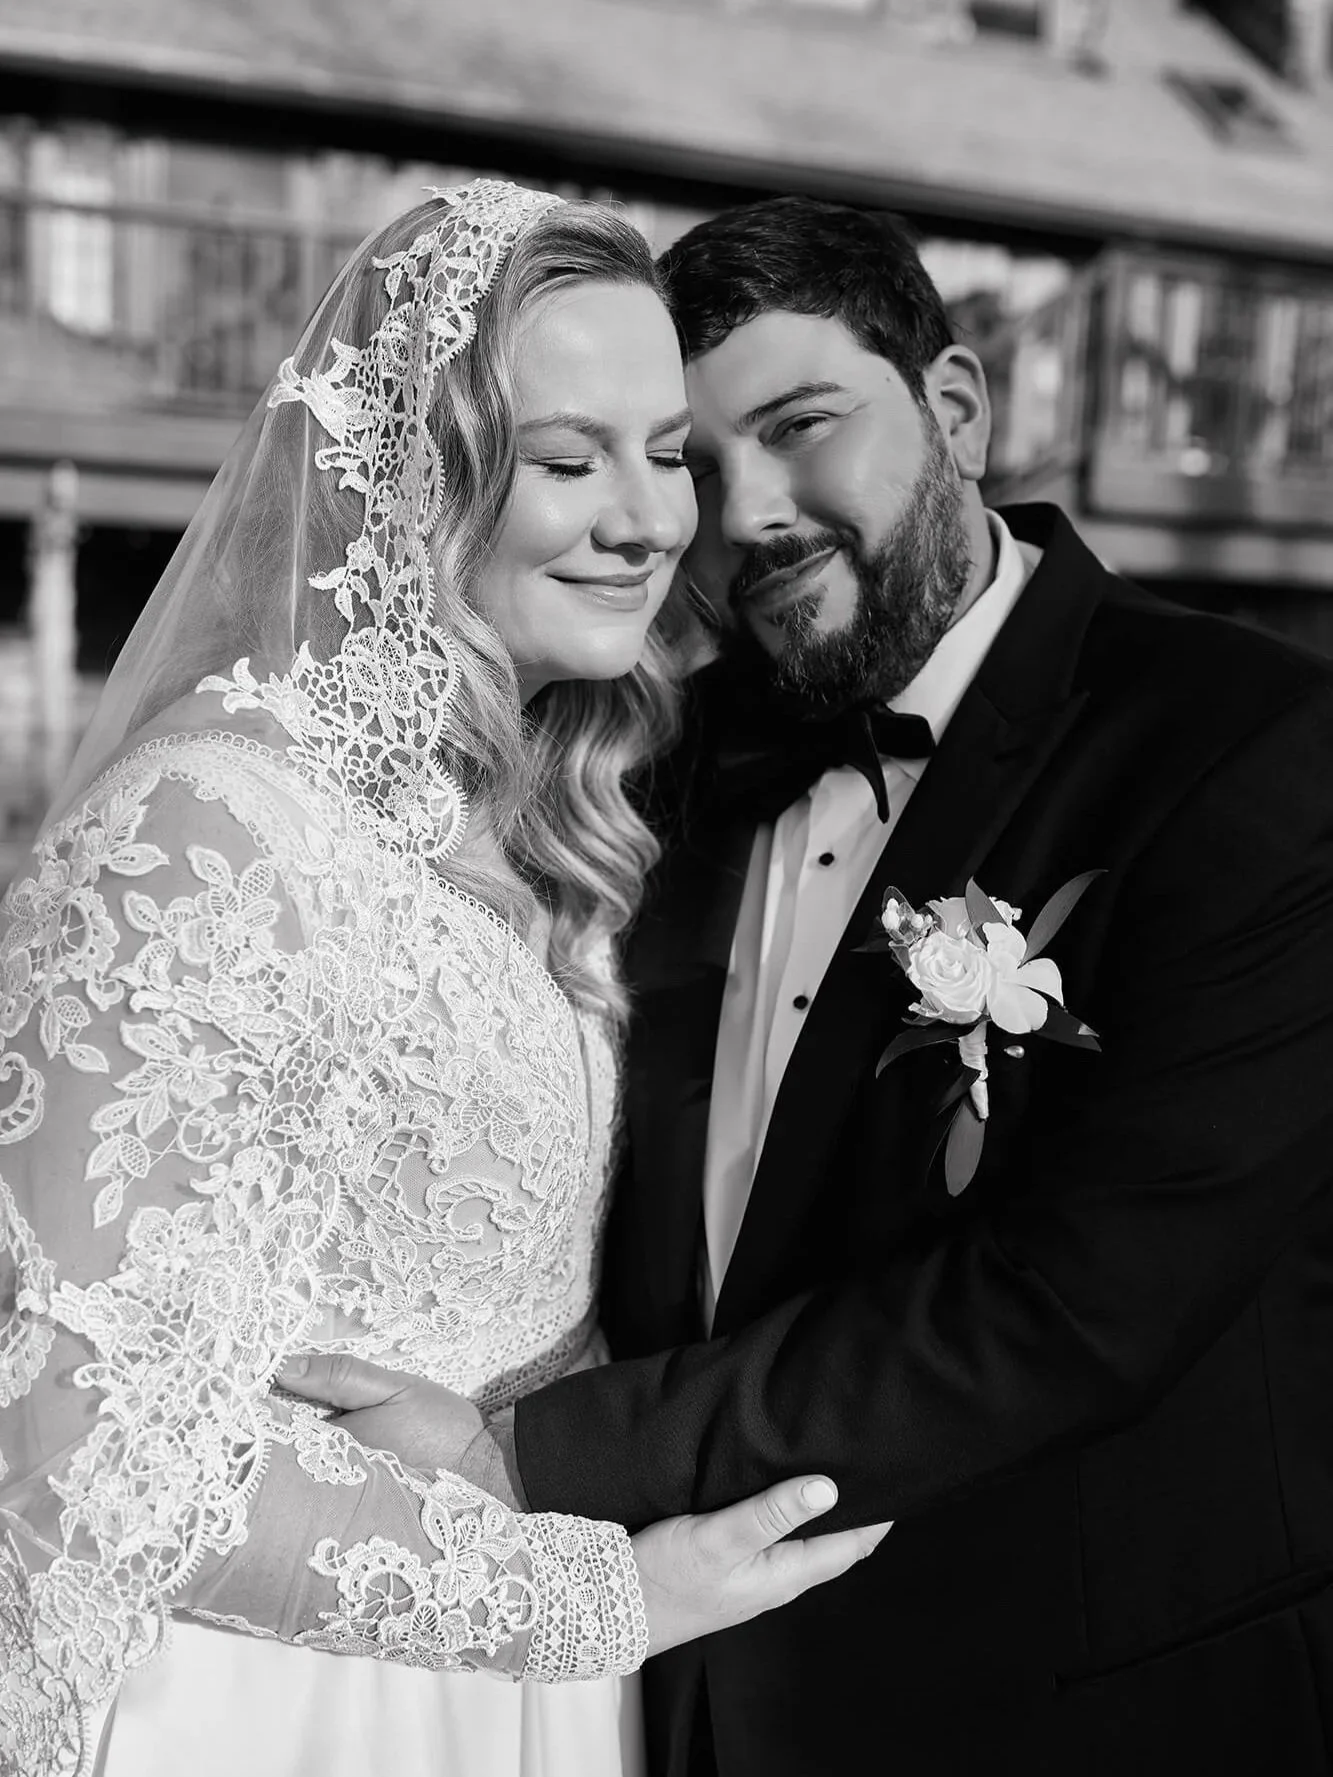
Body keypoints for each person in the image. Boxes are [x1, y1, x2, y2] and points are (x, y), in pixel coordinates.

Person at [290, 197, 1333, 1777]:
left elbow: (1080, 1305)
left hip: (1083, 1702)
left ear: (956, 408)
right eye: (700, 467)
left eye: (800, 426)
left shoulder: (1247, 749)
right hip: (665, 1691)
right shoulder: (656, 760)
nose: (752, 515)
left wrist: (526, 1456)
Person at [0, 182, 888, 1777]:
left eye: (666, 452)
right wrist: (592, 1597)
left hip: (530, 1679)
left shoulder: (566, 817)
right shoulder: (210, 828)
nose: (653, 520)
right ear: (417, 477)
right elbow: (62, 1430)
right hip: (290, 1693)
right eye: (568, 461)